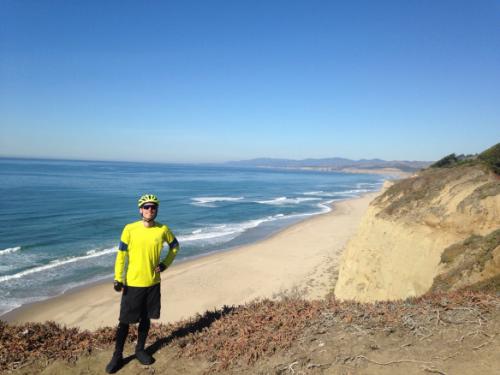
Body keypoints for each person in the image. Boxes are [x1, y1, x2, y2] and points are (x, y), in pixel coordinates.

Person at [106, 194, 180, 373]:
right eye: (146, 207)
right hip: (133, 284)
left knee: (146, 319)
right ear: (140, 209)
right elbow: (121, 255)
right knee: (124, 321)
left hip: (153, 283)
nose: (150, 210)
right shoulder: (129, 229)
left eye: (153, 207)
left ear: (156, 210)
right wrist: (118, 278)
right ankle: (117, 356)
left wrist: (164, 264)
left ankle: (140, 350)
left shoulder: (162, 229)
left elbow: (175, 246)